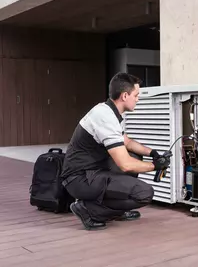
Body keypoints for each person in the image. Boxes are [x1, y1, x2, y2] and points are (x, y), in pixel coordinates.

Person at [61, 72, 171, 230]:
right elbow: (125, 164)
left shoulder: (109, 112)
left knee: (134, 154)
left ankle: (116, 210)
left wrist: (152, 153)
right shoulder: (104, 116)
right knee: (144, 193)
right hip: (80, 178)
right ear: (125, 96)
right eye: (136, 95)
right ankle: (89, 210)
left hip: (93, 172)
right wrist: (154, 166)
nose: (138, 99)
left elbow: (127, 142)